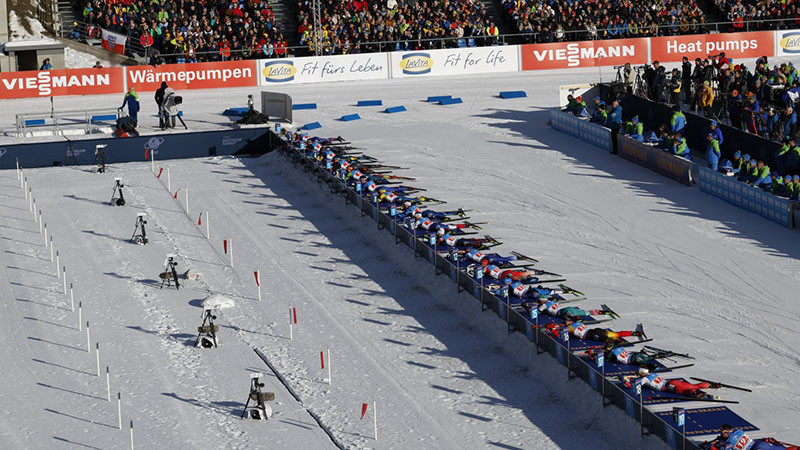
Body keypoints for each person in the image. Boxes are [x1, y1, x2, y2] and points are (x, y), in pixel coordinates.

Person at [622, 368, 719, 398]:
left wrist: (626, 382)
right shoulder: (652, 374)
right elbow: (640, 376)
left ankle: (696, 393)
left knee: (683, 392)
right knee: (692, 386)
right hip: (673, 382)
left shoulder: (645, 379)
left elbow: (635, 386)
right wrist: (632, 376)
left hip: (668, 386)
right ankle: (711, 385)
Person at [544, 316, 644, 343]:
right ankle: (633, 333)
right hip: (594, 330)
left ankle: (618, 341)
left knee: (607, 338)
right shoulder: (577, 323)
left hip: (591, 335)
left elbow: (559, 331)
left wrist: (551, 330)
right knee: (614, 334)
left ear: (570, 321)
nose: (565, 322)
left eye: (567, 321)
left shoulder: (569, 327)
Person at [702, 424, 799, 450]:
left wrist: (711, 446)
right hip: (761, 444)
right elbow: (721, 439)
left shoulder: (730, 442)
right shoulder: (739, 431)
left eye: (722, 431)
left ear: (726, 432)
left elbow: (723, 448)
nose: (721, 433)